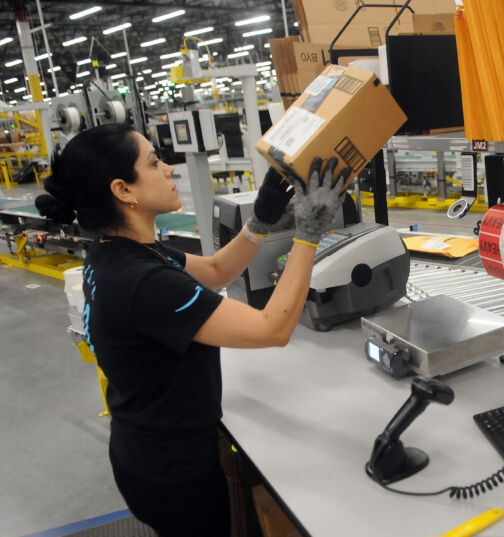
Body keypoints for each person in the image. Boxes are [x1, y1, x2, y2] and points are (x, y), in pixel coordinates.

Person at [35, 123, 350, 537]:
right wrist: (308, 236)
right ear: (123, 190)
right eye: (153, 162)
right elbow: (272, 328)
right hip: (174, 475)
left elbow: (217, 270)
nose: (169, 169)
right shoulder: (141, 280)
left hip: (144, 452)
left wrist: (260, 221)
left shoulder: (119, 250)